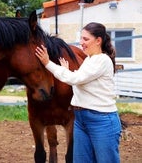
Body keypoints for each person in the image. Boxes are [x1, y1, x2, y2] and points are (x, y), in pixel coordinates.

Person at [35, 22, 122, 163]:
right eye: (81, 38)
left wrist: (47, 63)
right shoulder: (89, 60)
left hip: (101, 120)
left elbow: (75, 79)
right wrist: (67, 71)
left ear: (98, 40)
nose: (81, 42)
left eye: (86, 39)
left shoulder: (102, 60)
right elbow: (80, 82)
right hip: (81, 119)